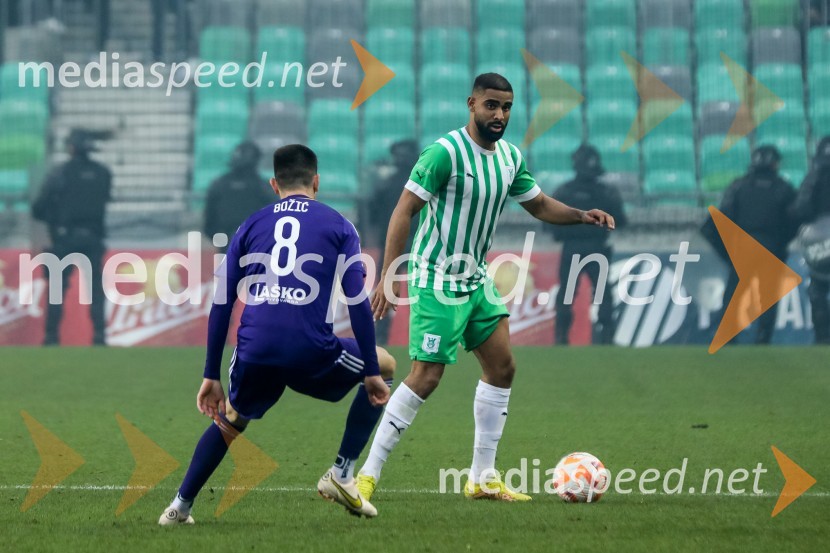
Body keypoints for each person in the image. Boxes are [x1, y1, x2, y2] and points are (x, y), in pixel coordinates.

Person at [356, 73, 615, 503]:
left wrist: (580, 215)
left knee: (502, 368)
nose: (500, 115)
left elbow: (538, 204)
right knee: (427, 376)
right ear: (472, 103)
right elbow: (404, 212)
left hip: (475, 278)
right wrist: (388, 275)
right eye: (492, 105)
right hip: (436, 277)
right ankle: (366, 475)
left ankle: (482, 477)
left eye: (507, 107)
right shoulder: (445, 153)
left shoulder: (510, 157)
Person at [159, 145, 395, 523]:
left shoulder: (251, 225)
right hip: (309, 348)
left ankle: (178, 507)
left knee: (232, 418)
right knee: (386, 364)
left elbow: (221, 302)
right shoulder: (339, 225)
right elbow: (357, 301)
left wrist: (210, 373)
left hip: (256, 347)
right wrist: (369, 371)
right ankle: (342, 474)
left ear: (274, 184)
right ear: (316, 181)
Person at [701, 144, 798, 344]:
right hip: (771, 248)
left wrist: (727, 252)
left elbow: (717, 222)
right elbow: (793, 222)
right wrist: (780, 245)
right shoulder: (784, 188)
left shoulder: (739, 186)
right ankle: (763, 340)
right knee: (768, 298)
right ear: (774, 164)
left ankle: (728, 339)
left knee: (734, 296)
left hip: (743, 249)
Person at [31, 129, 112, 346]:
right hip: (94, 238)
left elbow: (38, 208)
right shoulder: (103, 173)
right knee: (95, 289)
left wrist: (55, 221)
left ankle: (51, 337)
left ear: (71, 147)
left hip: (64, 238)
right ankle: (100, 336)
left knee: (57, 288)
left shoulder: (60, 173)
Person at [551, 144, 627, 345]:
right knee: (602, 293)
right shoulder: (606, 192)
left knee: (567, 293)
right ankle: (607, 337)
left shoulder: (564, 191)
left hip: (572, 248)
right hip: (596, 246)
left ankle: (561, 338)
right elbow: (619, 220)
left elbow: (550, 222)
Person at [367, 139, 421, 345]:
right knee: (423, 292)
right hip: (414, 244)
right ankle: (424, 334)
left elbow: (371, 213)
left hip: (399, 244)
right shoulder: (424, 182)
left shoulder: (387, 184)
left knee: (386, 289)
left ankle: (381, 336)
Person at [791, 136, 830, 343]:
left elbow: (801, 207)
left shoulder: (815, 176)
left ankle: (823, 339)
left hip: (819, 239)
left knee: (817, 289)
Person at [203, 140, 274, 252]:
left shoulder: (218, 185)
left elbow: (209, 224)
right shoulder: (263, 187)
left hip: (228, 246)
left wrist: (222, 240)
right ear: (256, 160)